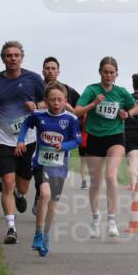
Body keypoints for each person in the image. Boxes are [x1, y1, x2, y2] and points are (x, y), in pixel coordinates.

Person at [0, 40, 45, 245]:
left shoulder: (34, 79)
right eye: (9, 55)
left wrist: (36, 105)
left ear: (21, 58)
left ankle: (19, 193)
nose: (13, 59)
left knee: (22, 187)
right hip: (1, 137)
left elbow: (45, 102)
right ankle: (11, 227)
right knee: (7, 182)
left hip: (27, 138)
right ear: (3, 58)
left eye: (16, 55)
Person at [74, 56, 138, 238]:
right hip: (94, 138)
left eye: (112, 72)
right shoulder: (91, 89)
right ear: (100, 72)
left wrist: (127, 114)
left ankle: (111, 220)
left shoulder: (121, 92)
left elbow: (134, 108)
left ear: (117, 73)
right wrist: (94, 104)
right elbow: (76, 110)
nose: (108, 75)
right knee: (96, 181)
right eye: (105, 72)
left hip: (115, 137)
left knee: (111, 176)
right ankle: (95, 218)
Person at [16, 82, 81, 257]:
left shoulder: (71, 119)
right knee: (44, 194)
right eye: (52, 100)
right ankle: (37, 234)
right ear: (46, 100)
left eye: (60, 100)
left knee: (53, 204)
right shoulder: (38, 115)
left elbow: (77, 141)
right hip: (41, 163)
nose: (56, 103)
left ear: (65, 100)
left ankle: (45, 235)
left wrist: (63, 145)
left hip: (60, 167)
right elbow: (25, 125)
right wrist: (20, 140)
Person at [38, 56, 80, 215]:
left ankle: (46, 197)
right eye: (47, 68)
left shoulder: (68, 90)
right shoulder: (36, 87)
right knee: (39, 167)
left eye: (53, 68)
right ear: (43, 71)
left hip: (59, 137)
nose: (50, 71)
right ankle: (40, 195)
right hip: (38, 134)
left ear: (58, 71)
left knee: (55, 174)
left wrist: (65, 105)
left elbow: (77, 109)